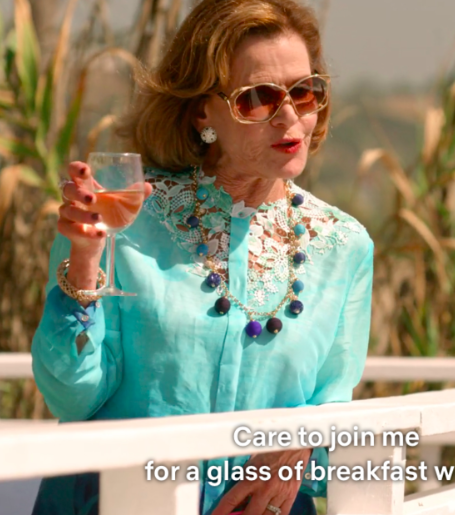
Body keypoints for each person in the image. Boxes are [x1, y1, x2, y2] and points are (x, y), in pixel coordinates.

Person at [29, 1, 374, 514]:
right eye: (257, 98)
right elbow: (71, 398)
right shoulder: (121, 220)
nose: (290, 117)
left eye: (305, 92)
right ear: (201, 112)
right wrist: (84, 261)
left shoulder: (345, 246)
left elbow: (332, 408)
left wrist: (305, 439)